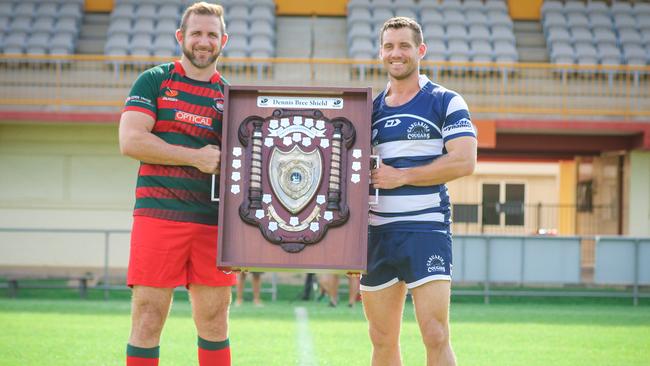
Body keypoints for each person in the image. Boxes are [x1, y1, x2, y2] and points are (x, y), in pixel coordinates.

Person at [118, 3, 236, 365]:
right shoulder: (154, 80)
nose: (204, 41)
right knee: (149, 317)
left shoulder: (230, 96)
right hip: (158, 217)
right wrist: (194, 156)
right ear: (181, 37)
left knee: (215, 322)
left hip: (212, 224)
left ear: (223, 41)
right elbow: (131, 141)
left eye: (211, 35)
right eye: (197, 33)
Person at [362, 17, 477, 366]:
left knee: (435, 334)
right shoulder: (367, 109)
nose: (396, 53)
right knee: (382, 339)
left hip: (426, 230)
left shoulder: (445, 101)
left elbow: (463, 161)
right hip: (376, 233)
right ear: (381, 53)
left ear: (420, 51)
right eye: (389, 46)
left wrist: (403, 176)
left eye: (404, 46)